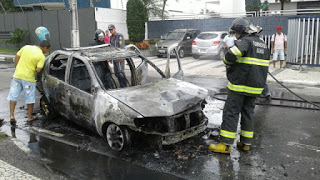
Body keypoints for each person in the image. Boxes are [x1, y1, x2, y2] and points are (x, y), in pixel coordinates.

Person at [209, 18, 269, 154]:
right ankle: (245, 143)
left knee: (231, 113)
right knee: (248, 113)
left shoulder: (245, 41)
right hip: (255, 87)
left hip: (240, 86)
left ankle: (225, 145)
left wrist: (226, 60)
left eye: (236, 33)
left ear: (241, 31)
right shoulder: (262, 43)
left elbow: (231, 55)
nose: (235, 36)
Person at [7, 40, 50, 123]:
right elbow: (38, 70)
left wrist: (17, 68)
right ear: (45, 48)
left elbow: (16, 57)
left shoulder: (26, 47)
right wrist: (32, 68)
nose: (46, 52)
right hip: (28, 79)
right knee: (30, 98)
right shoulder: (41, 56)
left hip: (17, 76)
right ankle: (29, 117)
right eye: (47, 50)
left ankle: (11, 115)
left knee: (13, 96)